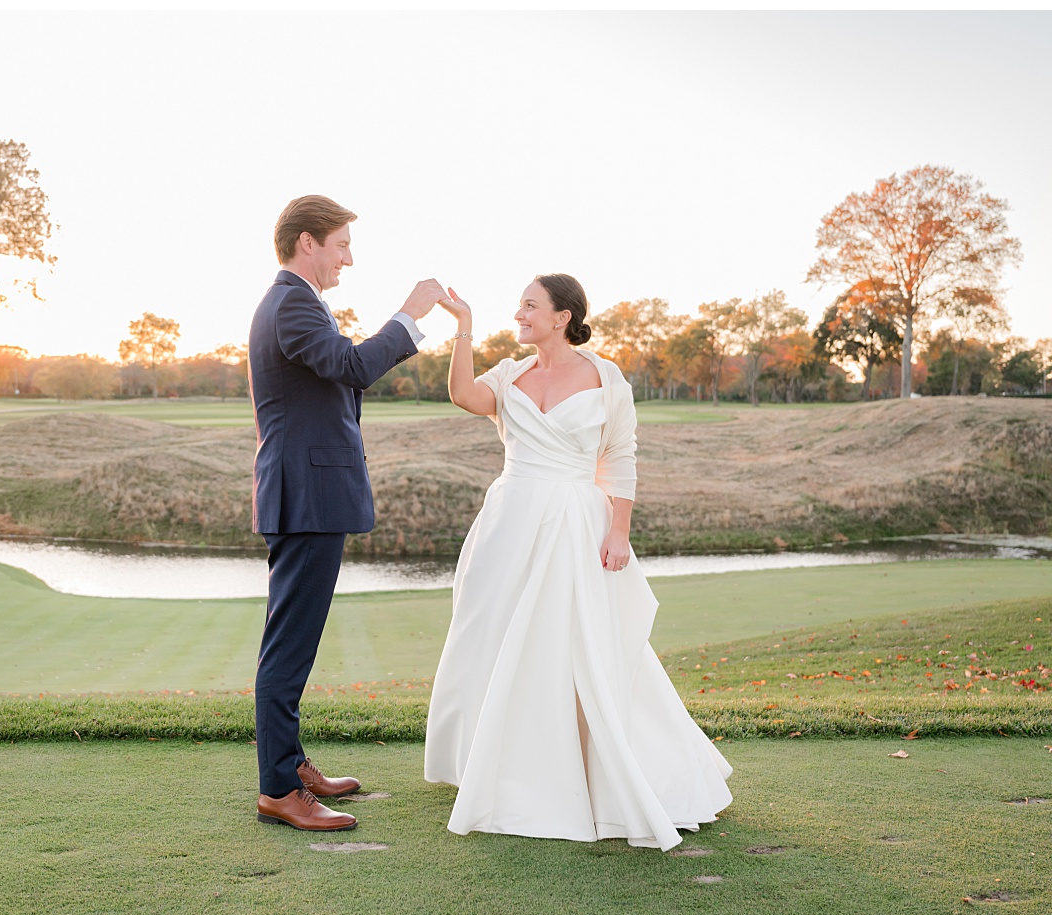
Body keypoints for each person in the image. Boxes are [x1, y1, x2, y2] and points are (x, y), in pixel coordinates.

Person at [423, 274, 733, 851]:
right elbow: (464, 395)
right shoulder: (509, 374)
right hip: (508, 522)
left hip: (575, 524)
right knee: (486, 634)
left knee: (574, 645)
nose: (519, 313)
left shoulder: (604, 376)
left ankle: (583, 773)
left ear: (563, 315)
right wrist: (463, 329)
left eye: (529, 305)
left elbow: (619, 455)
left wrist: (620, 529)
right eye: (519, 305)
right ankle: (488, 764)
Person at [248, 194, 448, 832]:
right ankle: (280, 787)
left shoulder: (296, 303)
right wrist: (411, 315)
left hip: (309, 494)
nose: (349, 258)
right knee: (290, 644)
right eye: (341, 245)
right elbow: (356, 367)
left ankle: (291, 763)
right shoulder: (291, 304)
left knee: (295, 640)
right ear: (308, 242)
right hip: (305, 496)